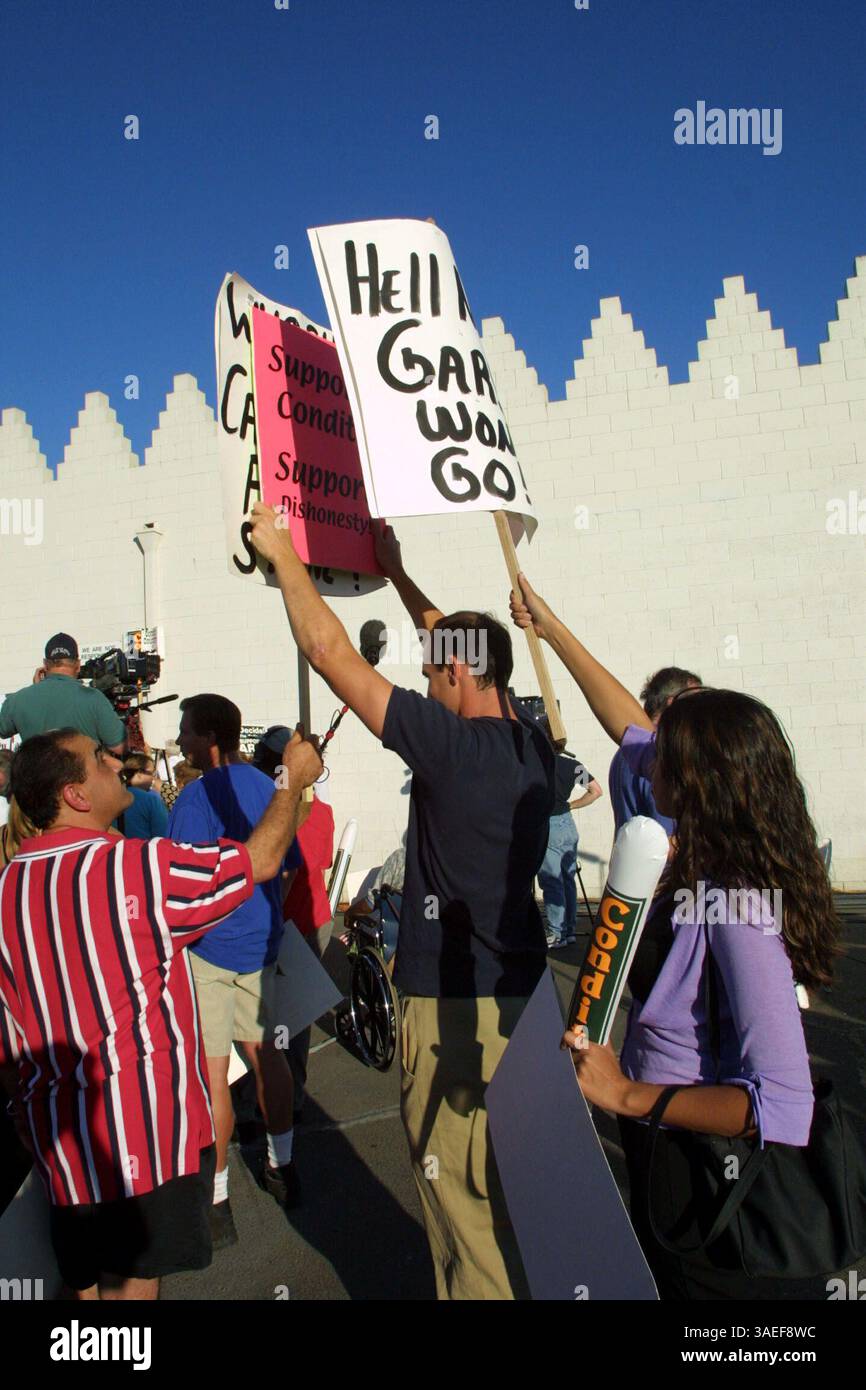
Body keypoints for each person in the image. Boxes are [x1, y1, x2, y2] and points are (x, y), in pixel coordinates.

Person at [249, 502, 554, 1301]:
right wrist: (395, 572)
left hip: (455, 1011)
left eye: (431, 667)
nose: (423, 673)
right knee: (522, 1200)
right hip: (527, 1005)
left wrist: (284, 553)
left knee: (465, 1212)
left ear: (457, 672)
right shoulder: (532, 741)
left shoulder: (444, 743)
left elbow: (327, 650)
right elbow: (457, 646)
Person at [510, 573, 839, 1300]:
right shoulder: (702, 858)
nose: (645, 755)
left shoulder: (736, 904)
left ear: (703, 778)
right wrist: (551, 627)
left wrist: (627, 1096)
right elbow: (620, 716)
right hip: (671, 1149)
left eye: (665, 751)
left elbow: (782, 1106)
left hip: (713, 1175)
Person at [0, 725, 321, 1301]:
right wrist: (291, 780)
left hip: (61, 1146)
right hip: (139, 1141)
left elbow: (10, 1030)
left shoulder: (8, 887)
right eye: (99, 760)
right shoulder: (136, 868)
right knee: (134, 1285)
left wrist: (28, 1122)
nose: (115, 762)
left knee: (83, 1282)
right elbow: (263, 860)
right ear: (74, 795)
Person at [167, 695, 304, 1244]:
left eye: (185, 731)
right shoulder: (272, 790)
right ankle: (284, 1166)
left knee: (212, 1072)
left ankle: (218, 1198)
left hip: (211, 950)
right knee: (268, 1054)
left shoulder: (195, 798)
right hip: (261, 947)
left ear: (209, 738)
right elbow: (287, 866)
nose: (180, 741)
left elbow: (182, 880)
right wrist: (264, 916)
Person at [253, 726, 335, 1119]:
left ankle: (287, 1103)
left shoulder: (297, 813)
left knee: (286, 1023)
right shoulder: (305, 810)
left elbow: (290, 869)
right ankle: (284, 1100)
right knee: (280, 1022)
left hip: (296, 923)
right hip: (301, 921)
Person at [608, 667, 701, 836]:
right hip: (660, 860)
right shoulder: (661, 751)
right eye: (696, 702)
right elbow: (666, 832)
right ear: (672, 703)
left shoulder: (625, 751)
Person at [536, 719, 603, 949]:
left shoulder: (537, 765)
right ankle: (569, 930)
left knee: (552, 880)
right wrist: (572, 805)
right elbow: (596, 791)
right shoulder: (572, 766)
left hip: (549, 824)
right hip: (567, 823)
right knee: (567, 878)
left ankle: (556, 933)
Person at [0, 634, 126, 752]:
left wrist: (36, 691)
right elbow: (119, 746)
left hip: (35, 774)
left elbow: (3, 730)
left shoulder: (17, 701)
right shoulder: (95, 699)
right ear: (77, 665)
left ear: (45, 665)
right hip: (82, 775)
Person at [116, 752, 169, 838]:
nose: (153, 778)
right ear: (139, 773)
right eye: (152, 773)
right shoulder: (152, 799)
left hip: (115, 848)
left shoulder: (114, 795)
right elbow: (163, 835)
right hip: (143, 849)